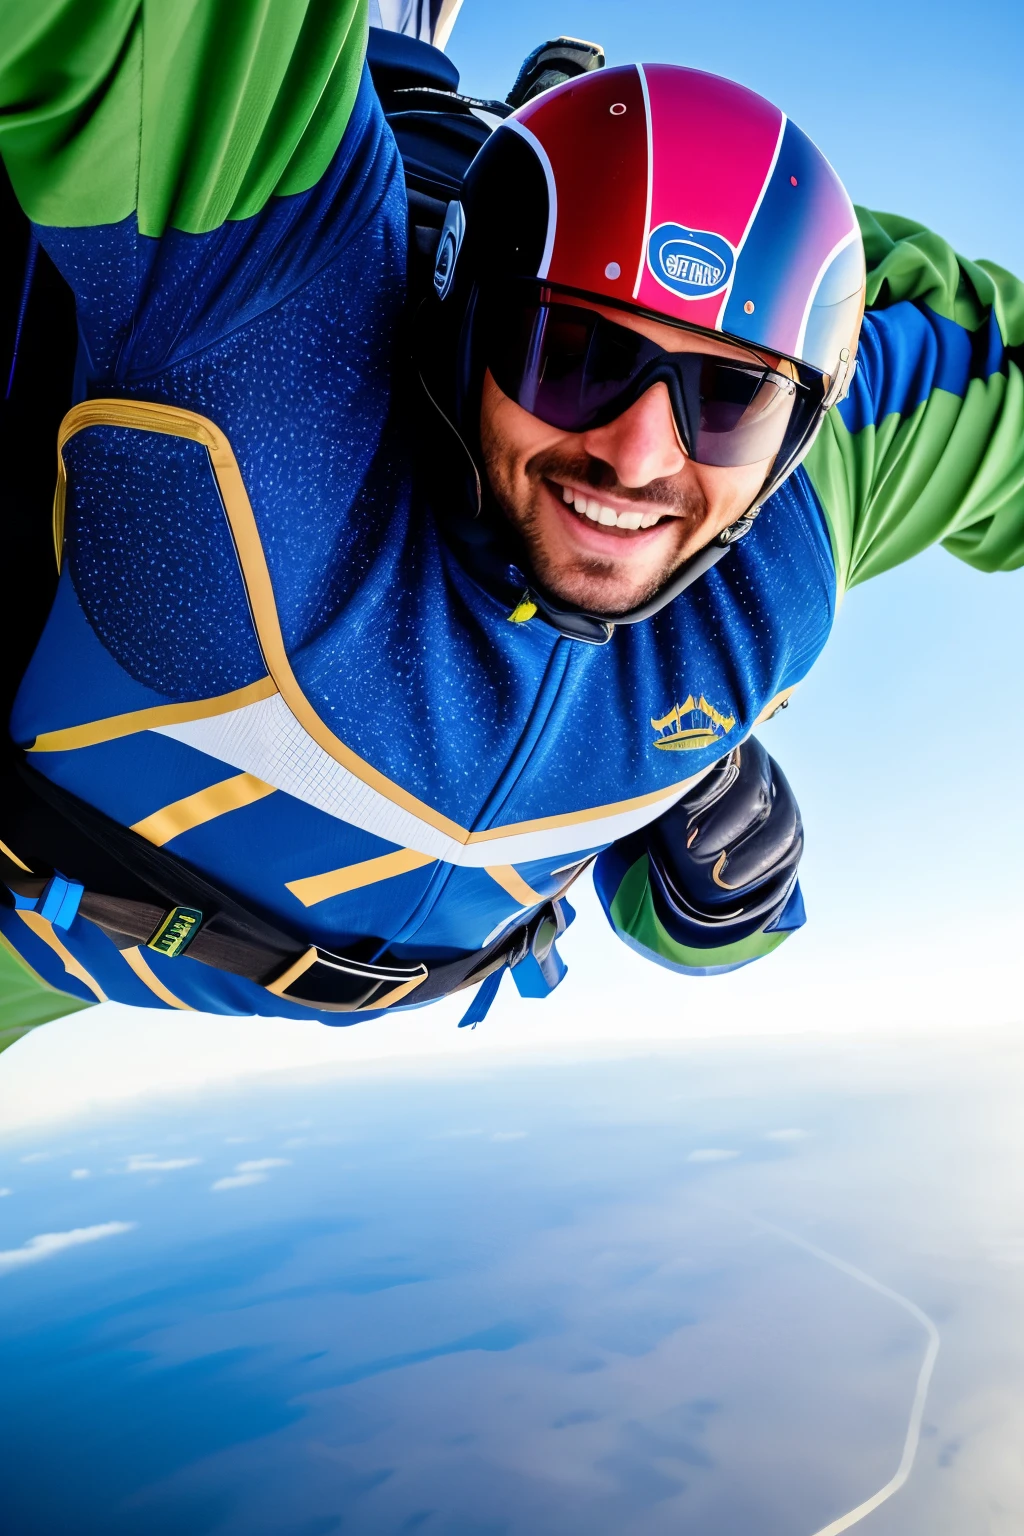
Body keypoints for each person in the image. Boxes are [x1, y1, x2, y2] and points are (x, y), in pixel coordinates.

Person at [0, 1, 1021, 1049]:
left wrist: (701, 912)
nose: (640, 457)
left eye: (726, 399)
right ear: (468, 320)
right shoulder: (269, 357)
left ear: (798, 419)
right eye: (574, 355)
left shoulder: (784, 544)